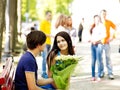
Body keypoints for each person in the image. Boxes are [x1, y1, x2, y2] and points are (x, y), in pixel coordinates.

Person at [100, 9, 116, 79]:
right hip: (99, 43)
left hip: (107, 43)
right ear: (100, 14)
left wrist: (112, 37)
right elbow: (91, 29)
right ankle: (101, 72)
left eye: (105, 14)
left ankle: (110, 73)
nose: (104, 15)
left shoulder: (109, 22)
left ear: (106, 15)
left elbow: (116, 28)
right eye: (102, 14)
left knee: (108, 58)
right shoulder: (98, 23)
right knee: (100, 59)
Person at [89, 15, 106, 81]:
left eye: (97, 19)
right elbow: (92, 35)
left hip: (99, 45)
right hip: (92, 45)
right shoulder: (94, 27)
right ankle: (93, 76)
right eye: (95, 19)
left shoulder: (101, 26)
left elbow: (104, 35)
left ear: (99, 19)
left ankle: (99, 76)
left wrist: (96, 40)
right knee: (93, 61)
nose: (96, 20)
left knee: (99, 61)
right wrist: (91, 40)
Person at [39, 10, 53, 78]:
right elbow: (41, 33)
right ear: (46, 15)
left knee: (48, 58)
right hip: (44, 43)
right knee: (44, 58)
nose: (50, 16)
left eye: (51, 15)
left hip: (49, 43)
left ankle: (47, 72)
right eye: (49, 15)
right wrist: (50, 35)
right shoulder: (43, 22)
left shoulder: (49, 23)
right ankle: (43, 72)